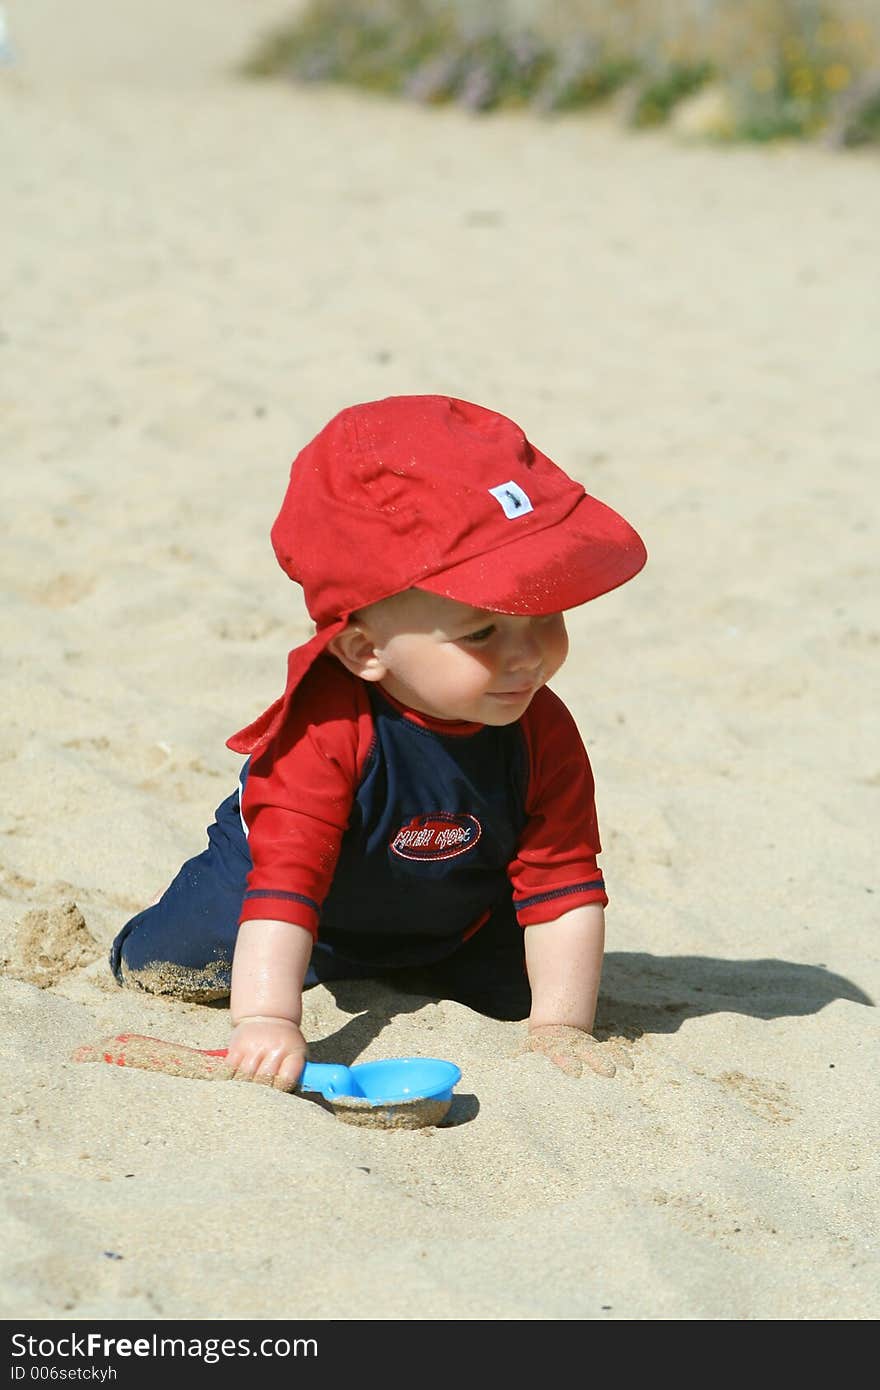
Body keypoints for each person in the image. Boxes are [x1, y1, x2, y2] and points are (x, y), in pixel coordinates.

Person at [110, 394, 647, 1090]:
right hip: (288, 899)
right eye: (482, 632)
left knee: (530, 990)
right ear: (365, 650)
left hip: (455, 907)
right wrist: (267, 1021)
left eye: (545, 615)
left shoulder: (541, 727)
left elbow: (562, 882)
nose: (528, 658)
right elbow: (284, 887)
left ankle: (415, 959)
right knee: (167, 964)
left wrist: (560, 1027)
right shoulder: (328, 730)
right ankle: (327, 961)